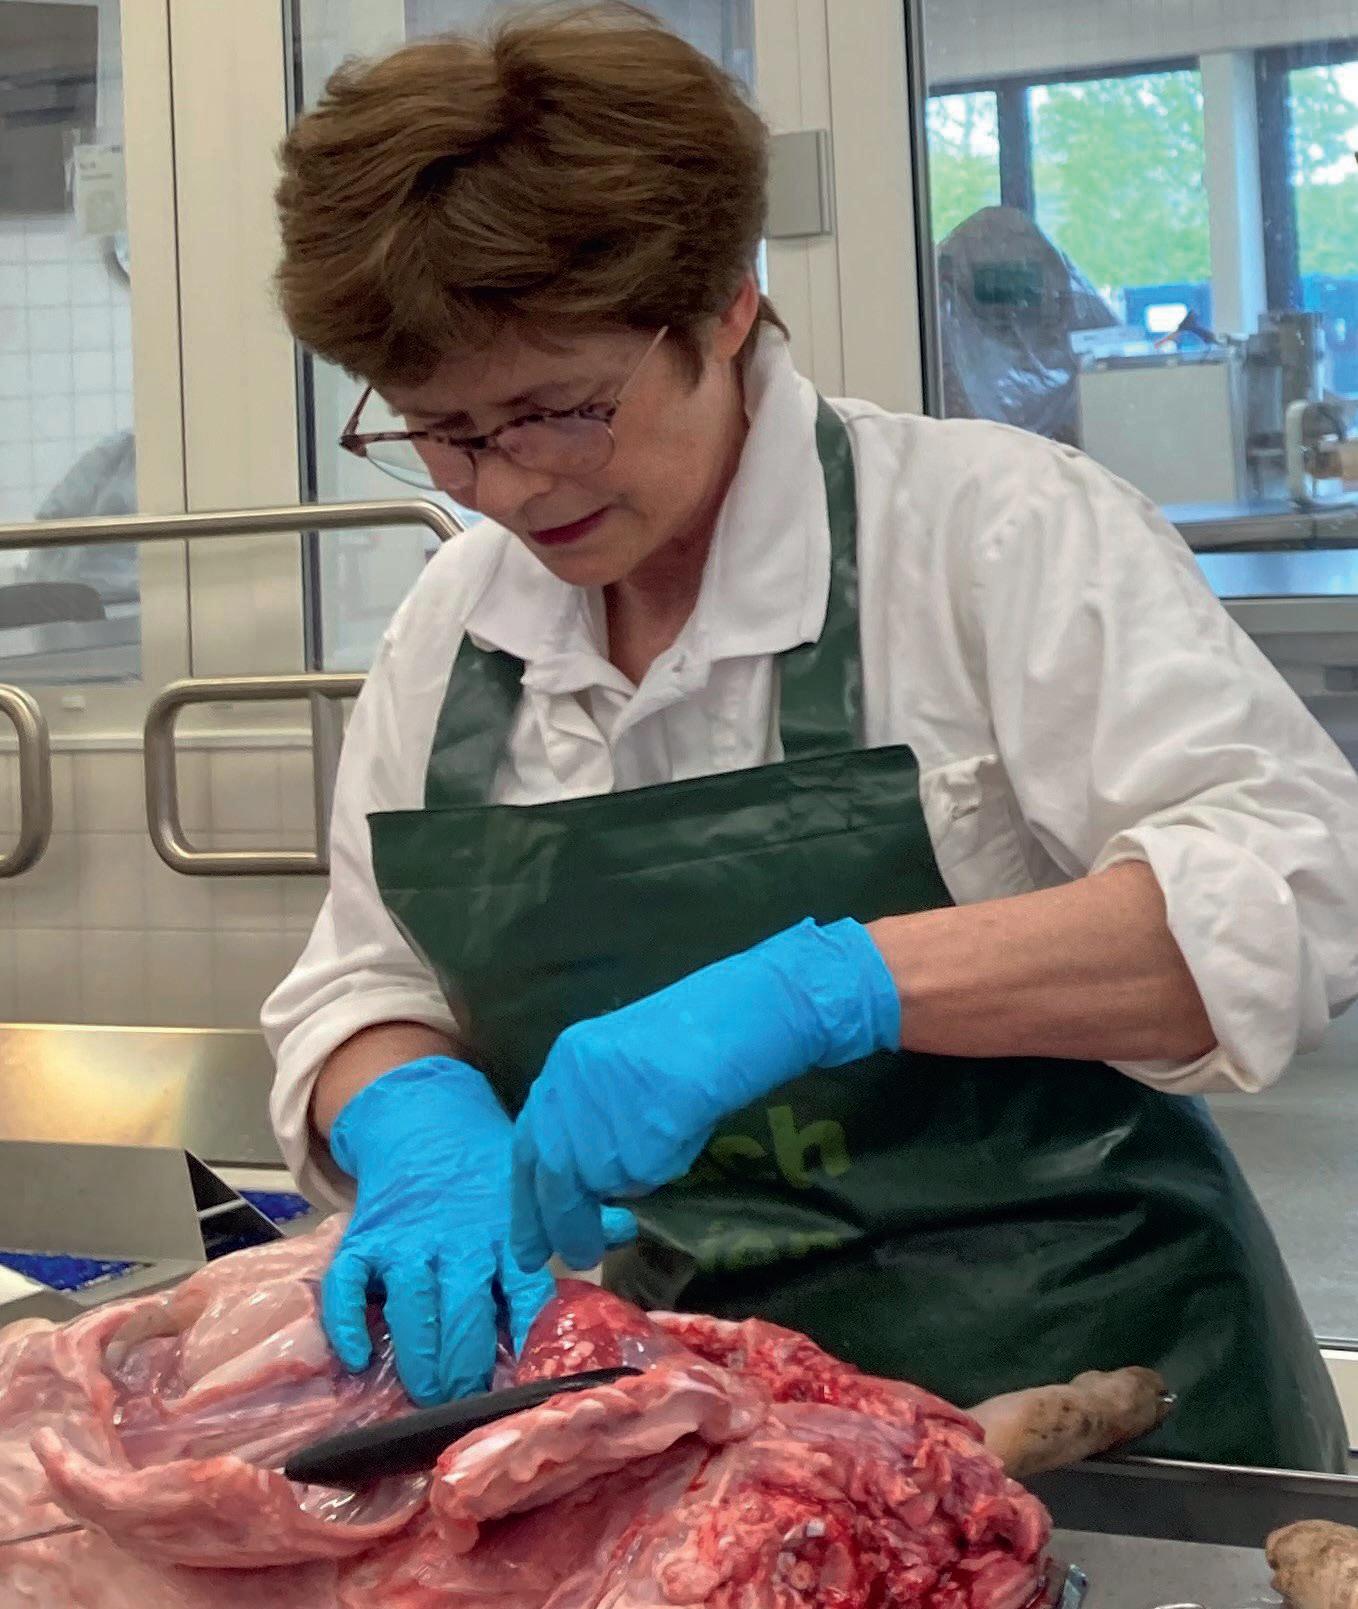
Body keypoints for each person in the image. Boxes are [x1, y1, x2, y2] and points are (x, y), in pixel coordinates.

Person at [263, 2, 1358, 1471]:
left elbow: (1295, 884)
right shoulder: (457, 625)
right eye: (442, 433)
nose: (507, 488)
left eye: (558, 412)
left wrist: (833, 988)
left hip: (1092, 1393)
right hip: (701, 1420)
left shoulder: (990, 529)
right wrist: (409, 1112)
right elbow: (365, 973)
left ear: (725, 306)